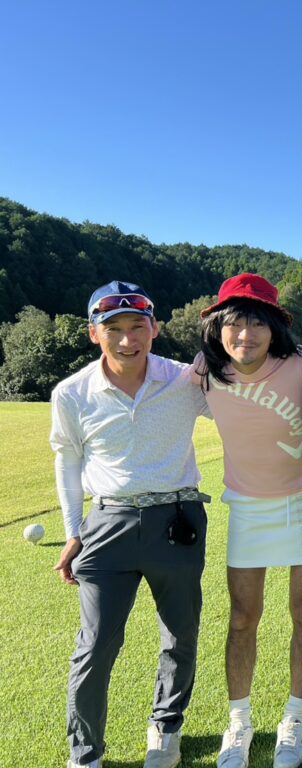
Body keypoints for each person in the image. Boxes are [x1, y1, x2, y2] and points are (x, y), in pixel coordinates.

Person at [51, 281, 211, 768]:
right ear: (93, 333)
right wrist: (74, 530)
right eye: (113, 328)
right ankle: (85, 753)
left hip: (178, 519)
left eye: (137, 326)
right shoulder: (72, 393)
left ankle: (166, 728)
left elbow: (246, 396)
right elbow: (68, 462)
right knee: (96, 645)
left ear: (154, 328)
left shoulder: (186, 379)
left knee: (180, 634)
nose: (127, 339)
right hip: (107, 524)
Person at [193, 273, 302, 768]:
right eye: (235, 323)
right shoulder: (204, 372)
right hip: (247, 507)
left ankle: (294, 719)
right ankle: (239, 722)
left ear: (275, 328)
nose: (245, 335)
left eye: (257, 323)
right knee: (242, 617)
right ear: (217, 328)